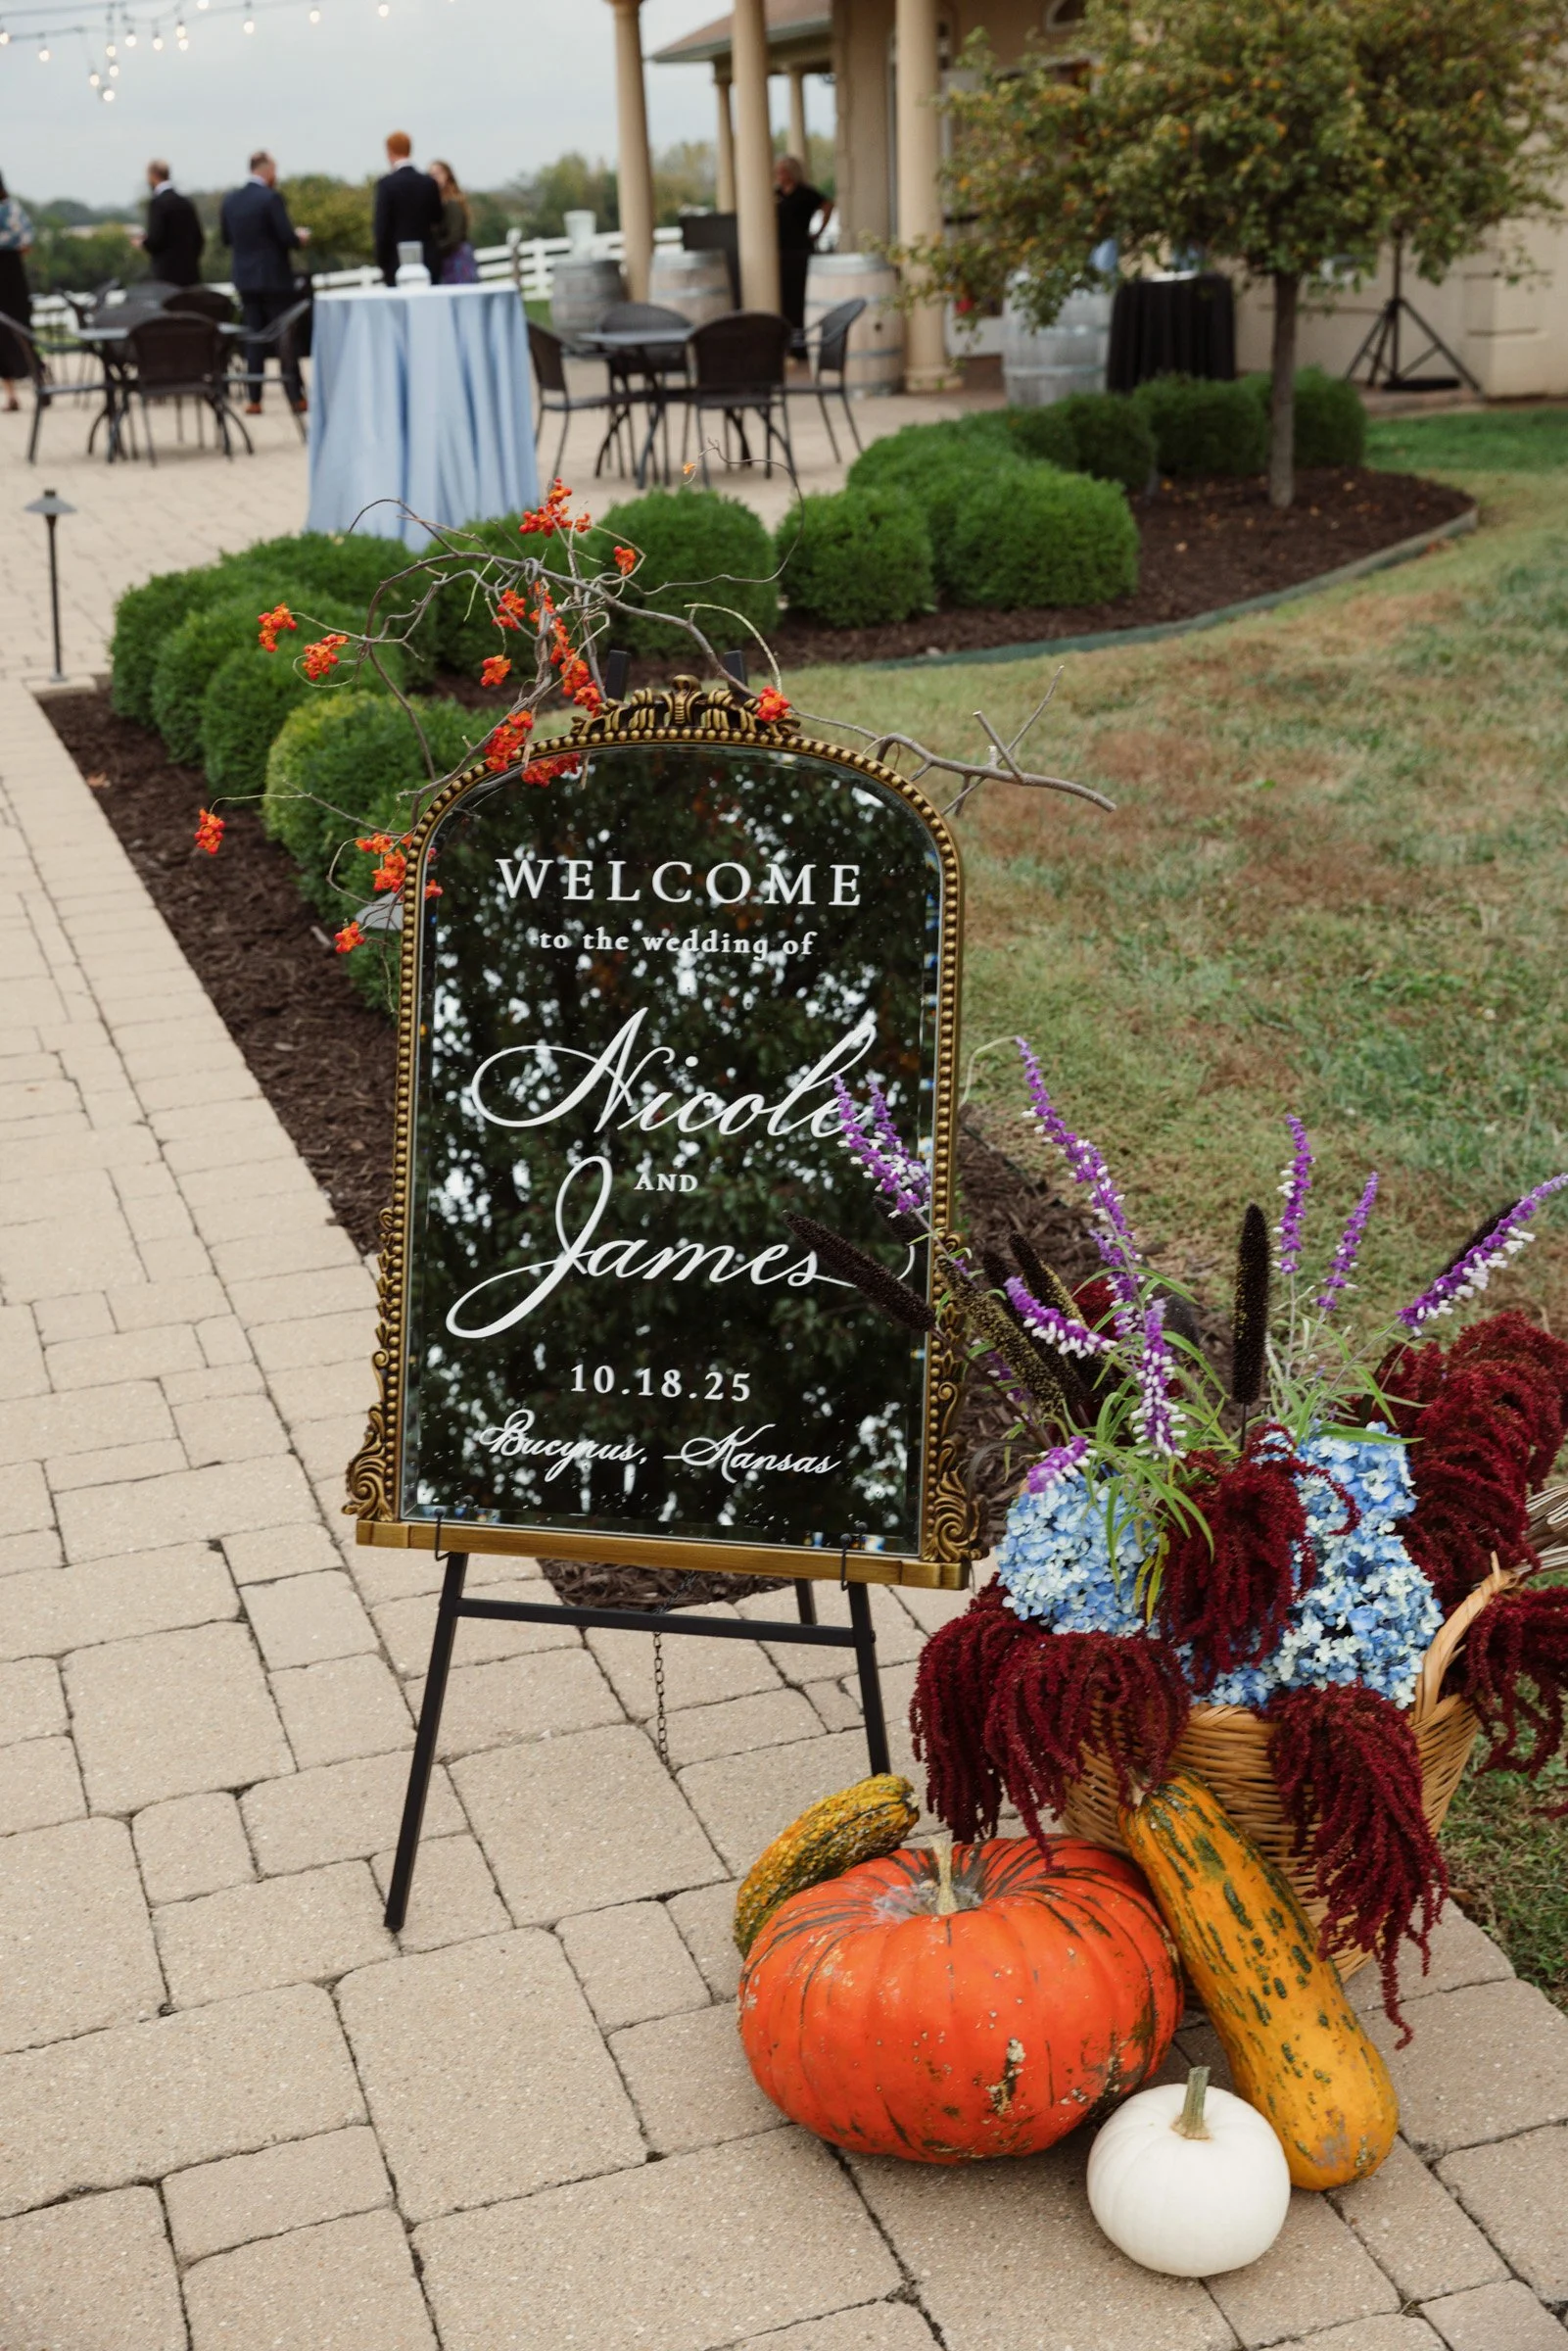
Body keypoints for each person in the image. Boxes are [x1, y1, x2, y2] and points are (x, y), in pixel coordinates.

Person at [220, 149, 310, 413]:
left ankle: (254, 398)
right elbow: (285, 236)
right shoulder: (271, 198)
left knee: (253, 337)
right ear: (267, 170)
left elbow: (227, 239)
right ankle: (295, 396)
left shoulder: (231, 200)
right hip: (273, 278)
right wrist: (299, 238)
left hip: (245, 279)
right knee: (284, 338)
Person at [373, 132, 442, 286]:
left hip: (396, 262)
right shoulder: (429, 183)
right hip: (427, 259)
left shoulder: (386, 185)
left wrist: (382, 261)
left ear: (389, 152)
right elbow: (437, 218)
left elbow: (382, 228)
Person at [774, 155, 832, 338]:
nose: (780, 175)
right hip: (780, 252)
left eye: (783, 171)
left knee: (800, 294)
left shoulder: (805, 193)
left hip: (800, 250)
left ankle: (801, 336)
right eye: (778, 171)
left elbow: (828, 205)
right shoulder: (775, 194)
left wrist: (819, 231)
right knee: (783, 295)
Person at [0, 171, 34, 412]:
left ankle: (10, 393)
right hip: (14, 274)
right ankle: (39, 379)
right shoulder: (13, 209)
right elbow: (26, 243)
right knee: (23, 328)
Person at [141, 161, 204, 287]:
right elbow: (199, 238)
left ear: (153, 176)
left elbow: (156, 239)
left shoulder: (157, 204)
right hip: (190, 274)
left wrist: (144, 243)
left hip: (166, 275)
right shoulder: (186, 202)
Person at [430, 159, 477, 285]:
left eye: (438, 173)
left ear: (448, 175)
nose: (435, 177)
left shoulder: (452, 203)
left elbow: (455, 236)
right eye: (432, 174)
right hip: (447, 258)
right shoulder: (437, 203)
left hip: (456, 259)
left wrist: (434, 250)